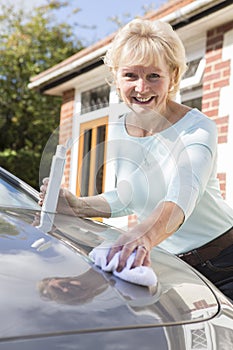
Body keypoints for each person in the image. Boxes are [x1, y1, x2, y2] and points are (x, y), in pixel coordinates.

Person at [39, 19, 233, 300]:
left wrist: (142, 236)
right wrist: (80, 206)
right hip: (174, 269)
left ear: (173, 76)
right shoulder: (120, 127)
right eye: (131, 75)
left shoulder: (198, 127)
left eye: (154, 76)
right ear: (116, 78)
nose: (142, 88)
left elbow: (183, 191)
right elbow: (129, 196)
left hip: (226, 261)